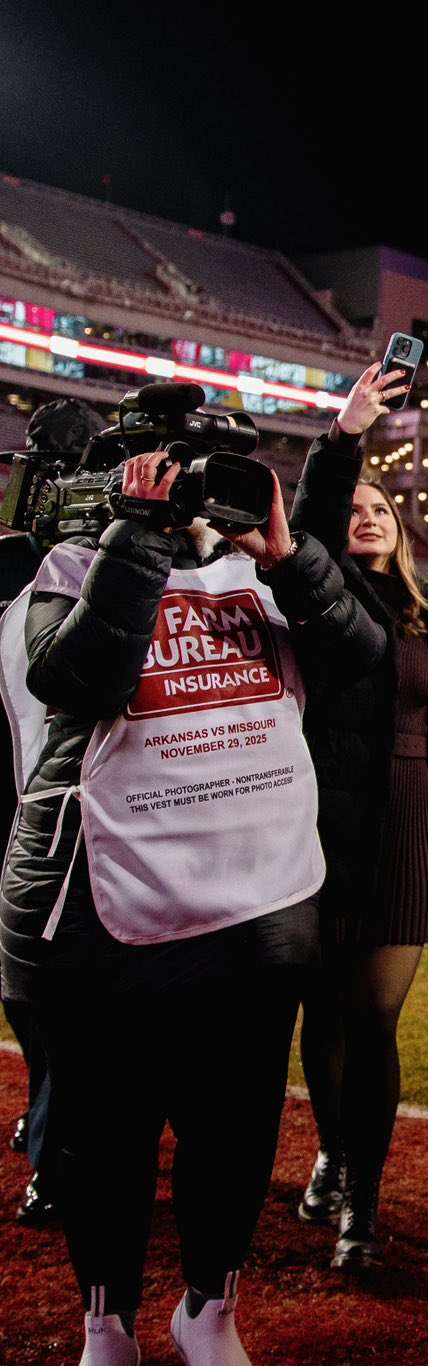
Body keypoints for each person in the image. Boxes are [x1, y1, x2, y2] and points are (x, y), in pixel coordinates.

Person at [0, 442, 383, 1366]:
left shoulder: (257, 579)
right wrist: (137, 539)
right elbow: (76, 681)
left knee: (237, 1137)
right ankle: (109, 1325)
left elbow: (363, 660)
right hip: (117, 916)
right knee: (106, 1145)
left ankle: (210, 1307)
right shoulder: (59, 573)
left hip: (259, 911)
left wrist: (292, 558)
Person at [288, 364, 428, 1268]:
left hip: (412, 822)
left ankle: (360, 1208)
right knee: (324, 1014)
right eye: (354, 507)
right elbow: (302, 533)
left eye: (382, 508)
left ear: (402, 530)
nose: (367, 515)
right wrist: (346, 438)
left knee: (373, 1018)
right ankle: (333, 1150)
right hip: (324, 820)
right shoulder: (315, 598)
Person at [0, 398, 104, 1233]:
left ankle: (59, 1150)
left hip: (77, 803)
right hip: (14, 795)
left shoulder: (111, 557)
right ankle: (50, 1109)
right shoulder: (11, 566)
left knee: (64, 989)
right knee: (24, 990)